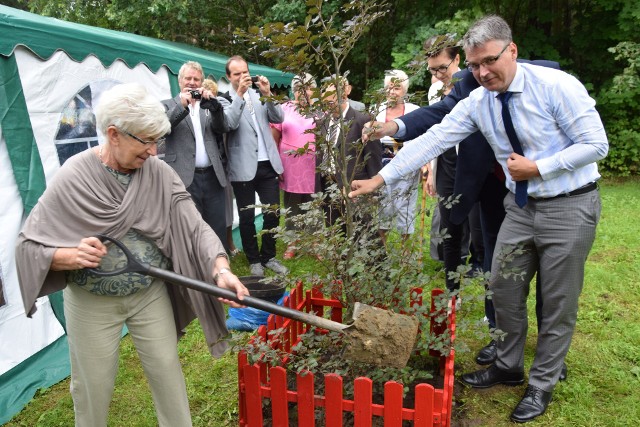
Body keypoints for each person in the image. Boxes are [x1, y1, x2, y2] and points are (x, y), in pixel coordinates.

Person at [350, 15, 607, 423]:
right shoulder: (478, 102)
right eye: (473, 66)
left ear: (512, 50)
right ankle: (508, 365)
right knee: (502, 286)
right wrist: (380, 178)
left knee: (557, 301)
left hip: (569, 205)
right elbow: (436, 138)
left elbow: (597, 144)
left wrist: (539, 167)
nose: (483, 72)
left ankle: (542, 382)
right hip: (520, 207)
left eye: (489, 61)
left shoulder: (558, 87)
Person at [14, 83, 250, 427]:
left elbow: (193, 225)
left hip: (149, 294)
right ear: (114, 134)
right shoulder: (74, 177)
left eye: (158, 141)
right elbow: (28, 245)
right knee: (92, 389)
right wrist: (65, 256)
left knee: (168, 376)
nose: (154, 152)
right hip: (91, 302)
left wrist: (220, 269)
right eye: (146, 141)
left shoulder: (158, 172)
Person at [222, 55, 288, 277]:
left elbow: (278, 117)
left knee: (273, 212)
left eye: (245, 72)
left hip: (267, 163)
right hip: (242, 167)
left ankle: (268, 256)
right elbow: (229, 124)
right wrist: (239, 95)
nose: (243, 77)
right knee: (247, 216)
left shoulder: (259, 94)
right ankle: (254, 260)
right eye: (237, 74)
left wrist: (268, 93)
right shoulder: (224, 98)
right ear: (229, 77)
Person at [162, 61, 230, 252]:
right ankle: (196, 273)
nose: (192, 82)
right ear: (179, 80)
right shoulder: (167, 105)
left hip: (212, 176)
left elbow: (222, 128)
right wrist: (182, 106)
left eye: (196, 79)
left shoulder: (207, 104)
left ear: (202, 82)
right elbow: (161, 129)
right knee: (190, 227)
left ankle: (221, 270)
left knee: (217, 225)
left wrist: (215, 107)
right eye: (188, 78)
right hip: (184, 178)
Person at [317, 78, 383, 230]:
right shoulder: (322, 123)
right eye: (325, 103)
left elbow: (373, 157)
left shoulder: (363, 120)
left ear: (344, 96)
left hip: (354, 186)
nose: (329, 107)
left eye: (332, 103)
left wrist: (373, 188)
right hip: (327, 185)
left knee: (360, 231)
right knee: (334, 231)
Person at [270, 73, 318, 260]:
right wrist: (277, 165)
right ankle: (293, 241)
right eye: (298, 88)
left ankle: (314, 241)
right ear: (293, 90)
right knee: (292, 204)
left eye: (306, 87)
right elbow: (274, 138)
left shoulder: (320, 110)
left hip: (314, 165)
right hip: (290, 166)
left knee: (314, 202)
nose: (302, 92)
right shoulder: (283, 109)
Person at [375, 70, 420, 244]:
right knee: (383, 207)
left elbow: (423, 139)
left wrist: (427, 168)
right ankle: (382, 250)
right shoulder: (376, 110)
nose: (392, 91)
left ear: (405, 90)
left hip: (407, 166)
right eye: (389, 87)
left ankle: (405, 252)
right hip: (382, 168)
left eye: (397, 88)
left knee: (405, 208)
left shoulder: (414, 111)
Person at [202, 78, 241, 256]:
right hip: (204, 167)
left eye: (210, 91)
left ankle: (228, 242)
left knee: (225, 206)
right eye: (204, 90)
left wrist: (214, 104)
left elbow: (227, 125)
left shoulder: (221, 104)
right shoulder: (193, 108)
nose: (206, 93)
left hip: (222, 164)